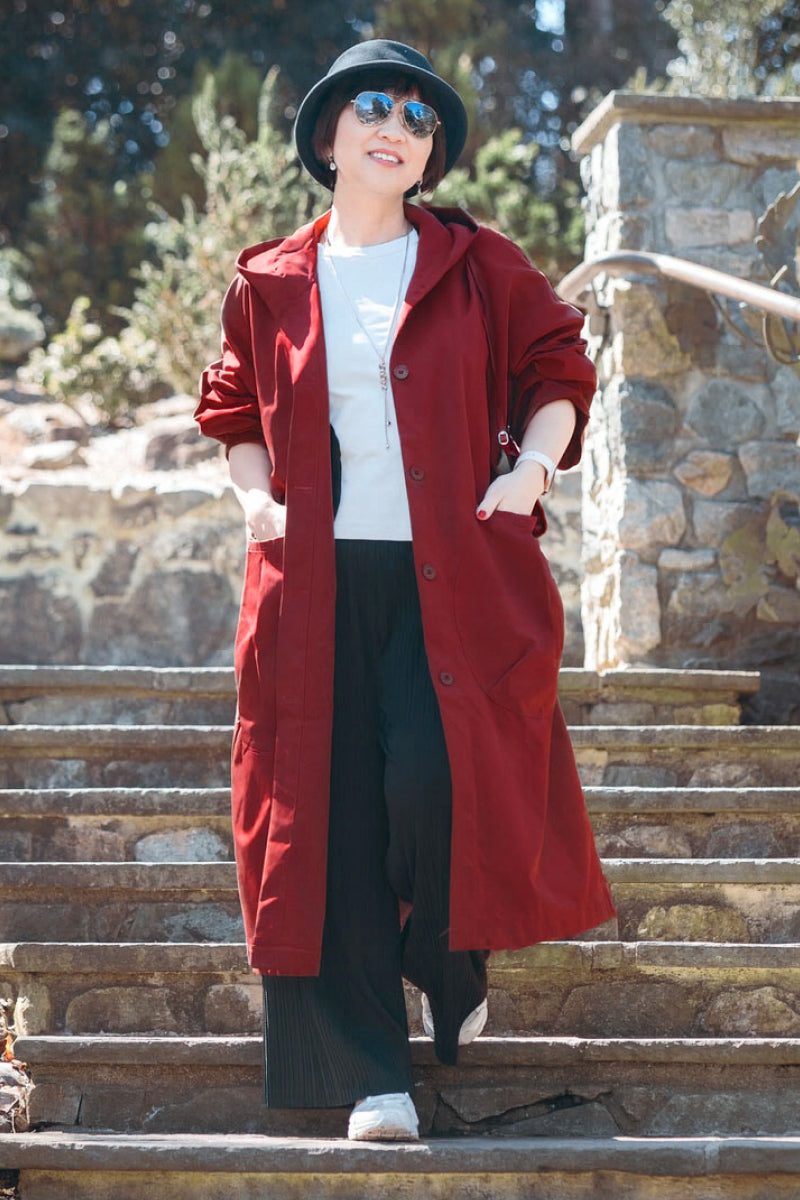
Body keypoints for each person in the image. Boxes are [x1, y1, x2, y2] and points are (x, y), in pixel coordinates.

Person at [194, 38, 616, 1143]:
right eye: (372, 105)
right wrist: (257, 506)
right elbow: (234, 408)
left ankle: (445, 957)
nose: (398, 125)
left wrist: (528, 470)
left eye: (421, 117)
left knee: (436, 779)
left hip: (454, 578)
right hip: (314, 584)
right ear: (328, 134)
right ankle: (372, 1075)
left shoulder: (478, 264)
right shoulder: (272, 279)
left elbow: (558, 365)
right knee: (324, 820)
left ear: (428, 155)